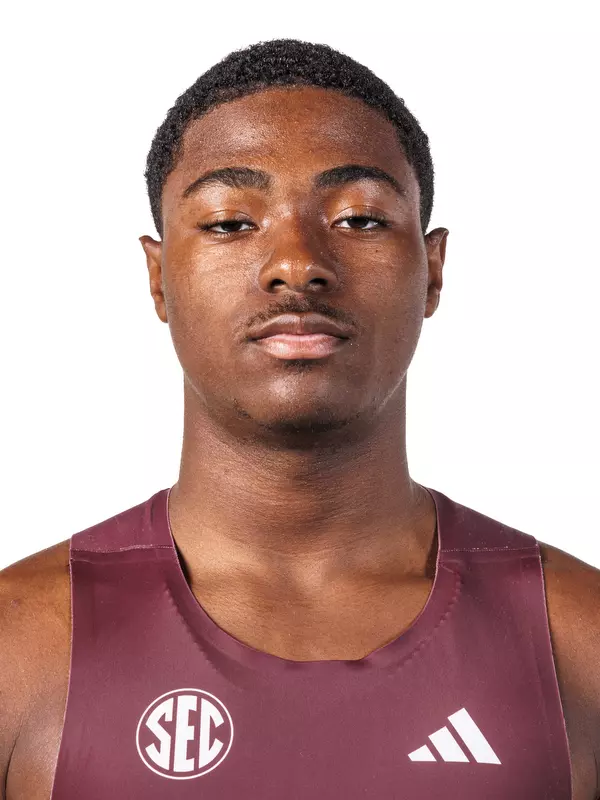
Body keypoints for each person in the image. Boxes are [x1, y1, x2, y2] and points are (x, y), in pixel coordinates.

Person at [0, 37, 598, 800]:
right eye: (228, 222)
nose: (296, 262)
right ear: (158, 278)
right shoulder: (21, 647)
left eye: (358, 219)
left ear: (433, 270)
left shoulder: (579, 642)